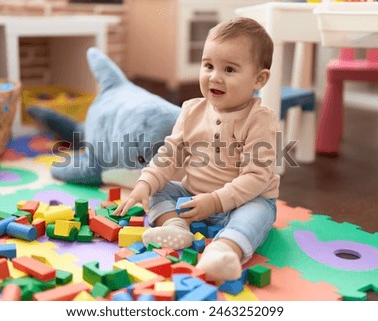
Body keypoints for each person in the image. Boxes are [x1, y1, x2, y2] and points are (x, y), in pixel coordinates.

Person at [114, 17, 280, 282]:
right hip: (192, 194)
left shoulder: (261, 120)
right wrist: (145, 183)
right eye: (209, 65)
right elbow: (170, 154)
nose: (214, 76)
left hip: (246, 200)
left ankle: (224, 250)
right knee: (159, 190)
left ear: (259, 79)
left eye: (229, 70)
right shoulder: (192, 110)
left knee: (257, 214)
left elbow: (256, 177)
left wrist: (215, 202)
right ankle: (175, 226)